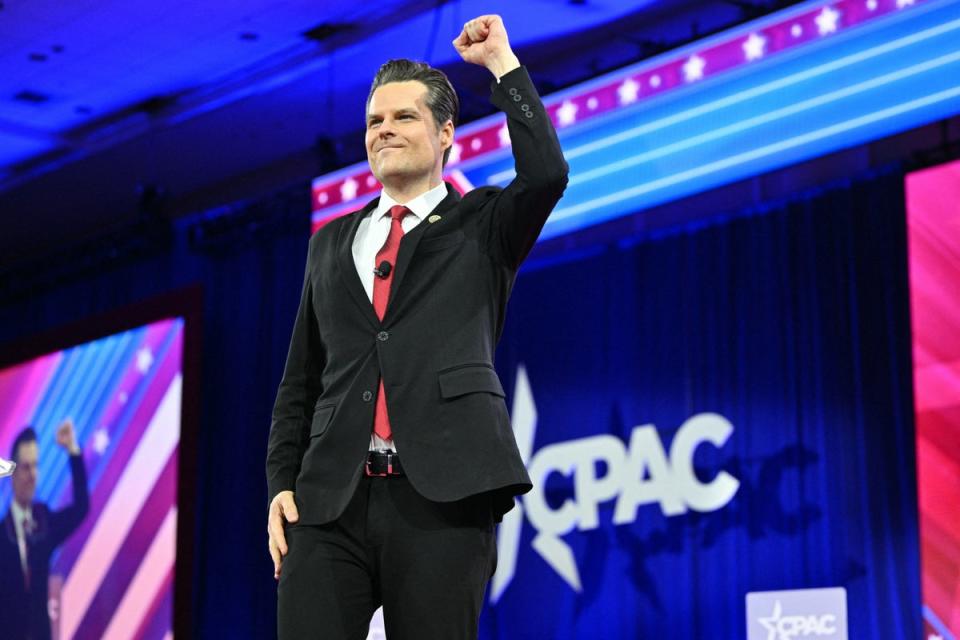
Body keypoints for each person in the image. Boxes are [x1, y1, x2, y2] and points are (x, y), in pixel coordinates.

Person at [265, 14, 568, 639]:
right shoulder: (330, 244)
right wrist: (280, 485)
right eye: (375, 121)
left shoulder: (483, 224)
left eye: (403, 117)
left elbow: (546, 175)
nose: (384, 131)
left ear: (446, 133)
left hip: (443, 497)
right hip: (329, 502)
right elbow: (302, 378)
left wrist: (503, 65)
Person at [0, 420, 89, 640]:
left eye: (36, 465)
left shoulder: (44, 523)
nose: (33, 475)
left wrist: (72, 450)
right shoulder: (2, 535)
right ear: (12, 472)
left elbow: (81, 507)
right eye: (25, 467)